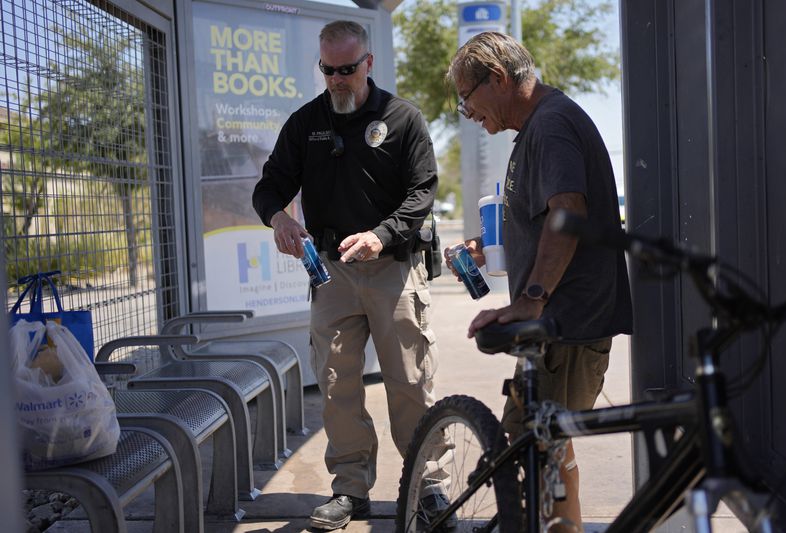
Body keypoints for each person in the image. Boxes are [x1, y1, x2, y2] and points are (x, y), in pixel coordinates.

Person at [252, 20, 443, 531]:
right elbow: (269, 187)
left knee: (409, 381)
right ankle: (350, 489)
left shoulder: (403, 119)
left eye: (347, 70)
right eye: (328, 70)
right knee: (336, 382)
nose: (337, 79)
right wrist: (281, 219)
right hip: (333, 274)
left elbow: (422, 193)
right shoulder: (305, 122)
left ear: (369, 64)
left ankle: (428, 485)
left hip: (393, 269)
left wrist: (381, 235)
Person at [446, 32, 633, 531]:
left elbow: (568, 210)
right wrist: (489, 247)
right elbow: (542, 213)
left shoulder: (550, 125)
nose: (468, 113)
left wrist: (531, 299)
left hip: (566, 326)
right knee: (545, 450)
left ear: (500, 79)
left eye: (468, 98)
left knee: (533, 454)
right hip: (558, 326)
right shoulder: (537, 128)